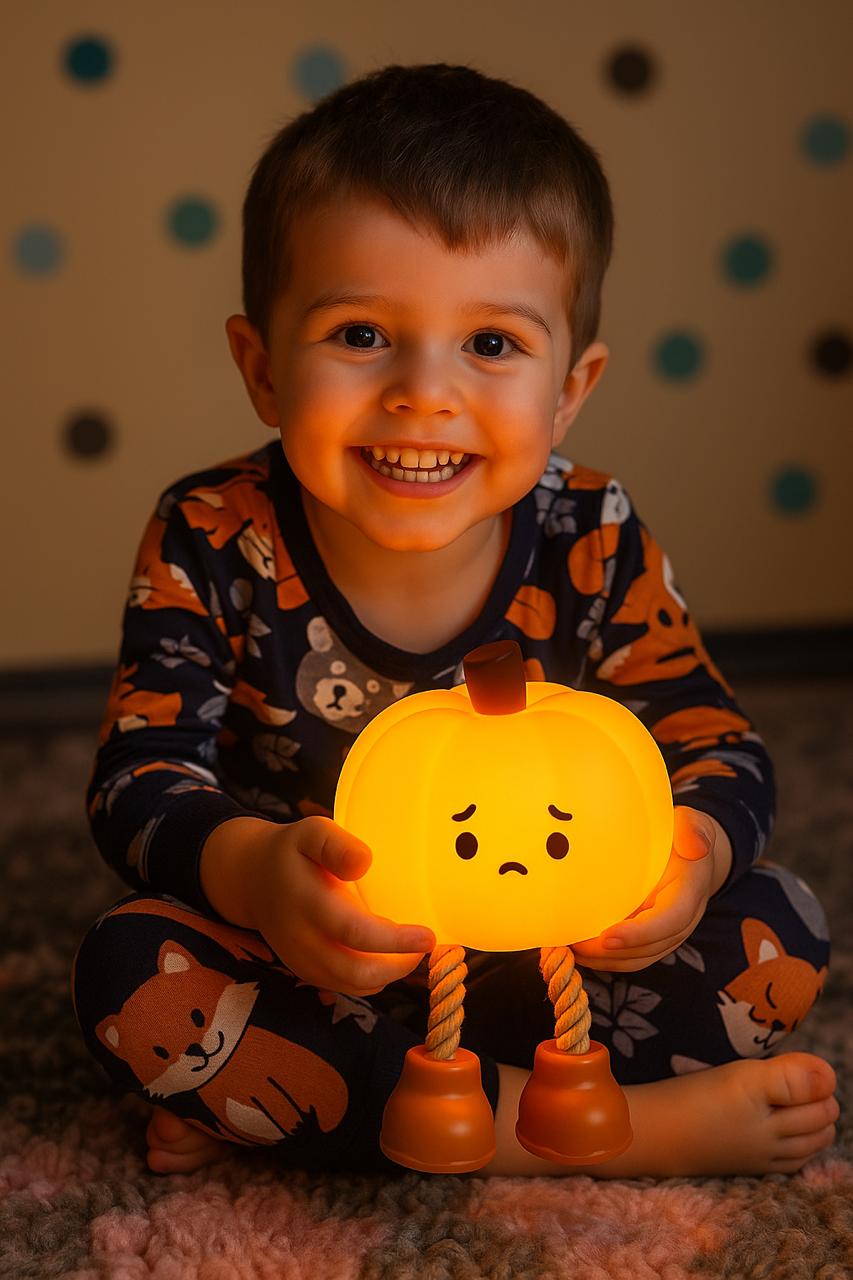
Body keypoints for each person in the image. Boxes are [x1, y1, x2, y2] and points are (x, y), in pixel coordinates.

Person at [72, 62, 837, 1179]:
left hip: (557, 944)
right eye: (361, 335)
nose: (424, 392)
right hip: (332, 957)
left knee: (782, 922)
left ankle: (349, 1111)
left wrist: (687, 861)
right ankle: (602, 1129)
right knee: (132, 970)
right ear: (261, 367)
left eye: (490, 344)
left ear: (569, 389)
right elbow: (138, 780)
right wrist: (256, 873)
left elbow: (717, 742)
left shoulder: (591, 527)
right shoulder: (212, 530)